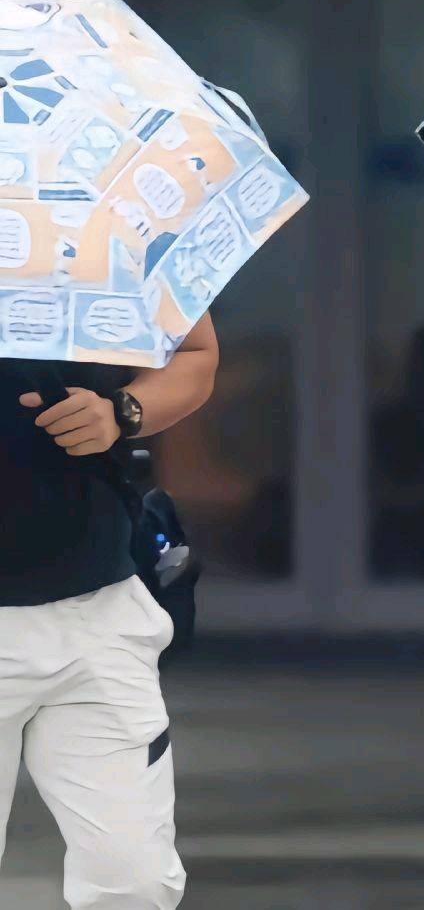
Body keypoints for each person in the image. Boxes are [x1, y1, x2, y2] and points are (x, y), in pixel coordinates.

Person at [0, 313, 219, 909]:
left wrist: (121, 412)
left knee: (136, 884)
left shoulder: (120, 248)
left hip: (97, 604)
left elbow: (194, 353)